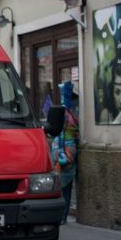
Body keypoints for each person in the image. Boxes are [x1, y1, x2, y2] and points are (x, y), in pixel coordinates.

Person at [51, 80, 79, 223]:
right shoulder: (72, 115)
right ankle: (63, 216)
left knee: (60, 187)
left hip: (60, 151)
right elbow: (76, 131)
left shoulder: (61, 113)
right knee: (66, 189)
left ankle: (60, 215)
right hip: (68, 150)